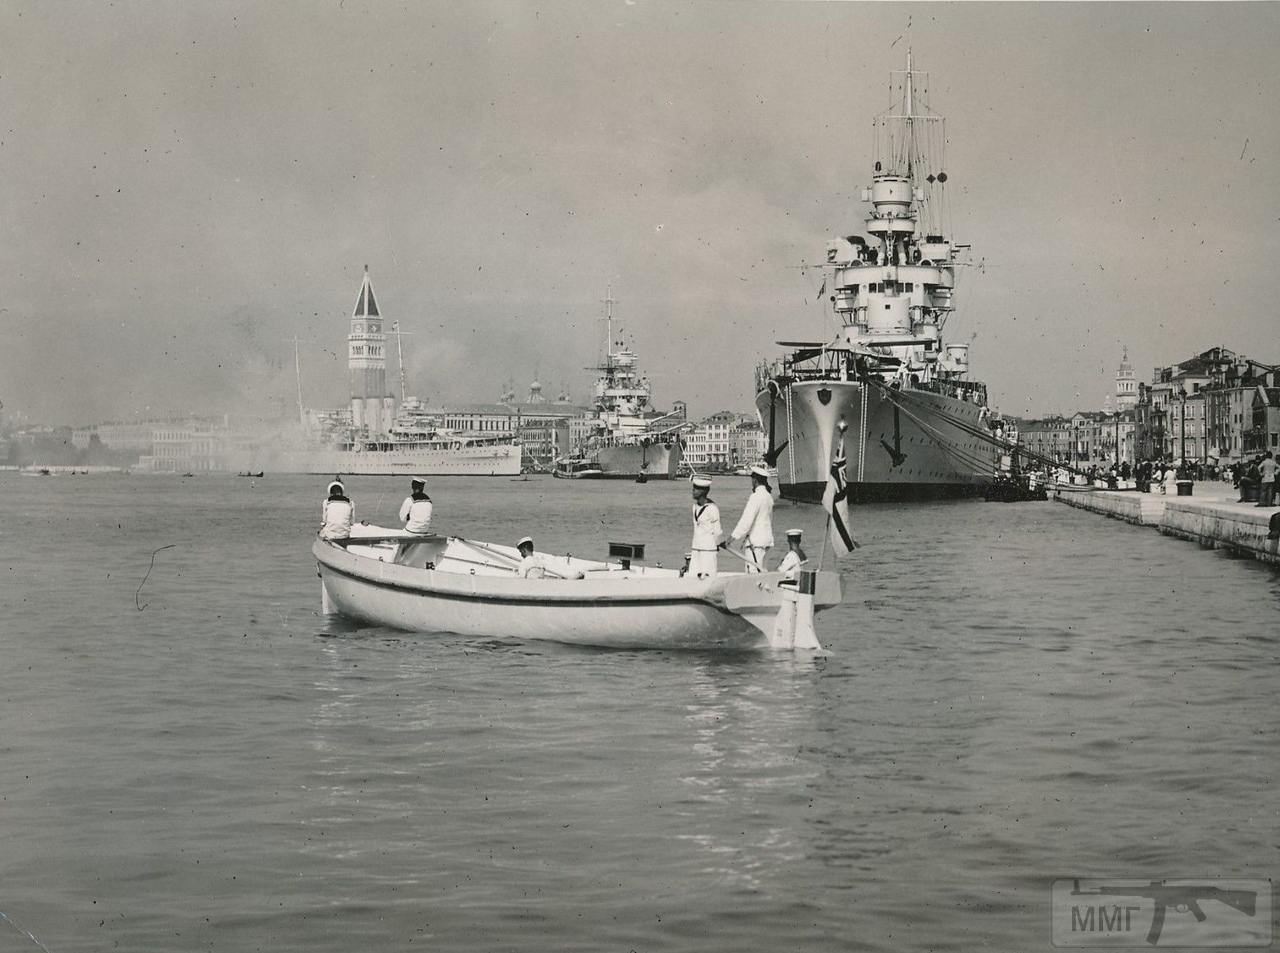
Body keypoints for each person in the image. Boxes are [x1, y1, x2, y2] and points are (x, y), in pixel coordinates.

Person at [729, 464, 774, 572]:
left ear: (755, 480)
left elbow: (746, 521)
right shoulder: (769, 497)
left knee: (753, 575)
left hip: (755, 543)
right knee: (762, 572)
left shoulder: (755, 497)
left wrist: (731, 538)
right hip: (766, 541)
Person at [688, 474, 722, 579]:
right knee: (693, 577)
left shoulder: (712, 508)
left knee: (708, 577)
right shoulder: (694, 507)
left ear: (703, 491)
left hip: (708, 549)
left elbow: (717, 531)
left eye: (696, 488)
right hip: (696, 547)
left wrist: (716, 544)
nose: (693, 490)